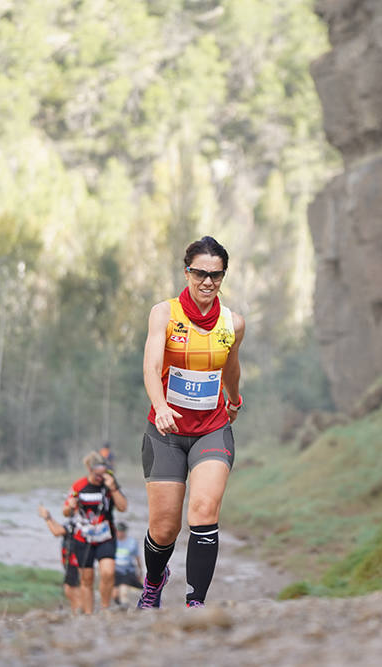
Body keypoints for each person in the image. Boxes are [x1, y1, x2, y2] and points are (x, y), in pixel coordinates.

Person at [137, 236, 244, 609]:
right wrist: (161, 405)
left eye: (216, 275)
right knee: (165, 528)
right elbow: (151, 367)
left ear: (223, 277)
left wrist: (234, 398)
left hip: (212, 429)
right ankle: (154, 581)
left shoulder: (233, 323)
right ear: (187, 272)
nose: (207, 282)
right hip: (165, 432)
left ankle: (195, 603)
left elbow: (230, 366)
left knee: (203, 509)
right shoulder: (164, 314)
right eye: (200, 273)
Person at [63, 451, 128, 612]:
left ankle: (105, 608)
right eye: (97, 474)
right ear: (90, 470)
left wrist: (113, 487)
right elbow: (65, 512)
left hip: (105, 537)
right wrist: (70, 506)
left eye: (103, 474)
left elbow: (123, 507)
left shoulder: (109, 485)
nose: (100, 478)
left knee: (108, 571)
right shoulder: (79, 485)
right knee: (87, 579)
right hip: (83, 538)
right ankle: (89, 614)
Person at [38, 503, 81, 612]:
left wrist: (46, 518)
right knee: (69, 589)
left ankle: (80, 614)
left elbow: (57, 532)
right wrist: (49, 517)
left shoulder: (79, 520)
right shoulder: (73, 520)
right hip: (70, 559)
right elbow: (62, 529)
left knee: (72, 590)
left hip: (75, 560)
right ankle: (77, 612)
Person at [112, 521, 143, 606]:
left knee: (123, 592)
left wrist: (140, 571)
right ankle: (120, 610)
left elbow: (137, 558)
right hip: (115, 572)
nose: (120, 533)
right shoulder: (112, 542)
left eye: (122, 531)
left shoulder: (132, 542)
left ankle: (125, 608)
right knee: (114, 595)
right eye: (118, 531)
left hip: (127, 571)